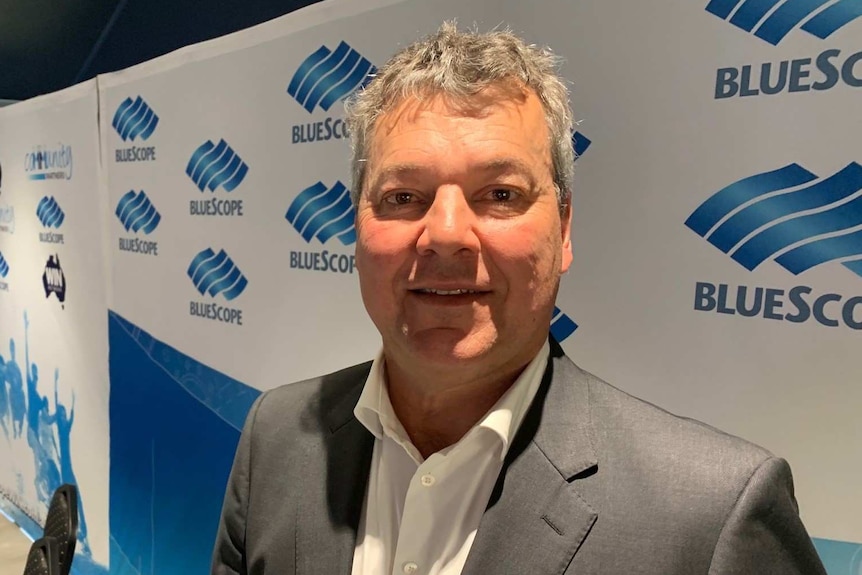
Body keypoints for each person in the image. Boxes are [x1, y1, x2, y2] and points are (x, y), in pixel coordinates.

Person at [212, 23, 826, 575]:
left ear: (562, 232)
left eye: (500, 194)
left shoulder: (712, 515)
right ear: (358, 227)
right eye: (402, 196)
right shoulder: (277, 436)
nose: (446, 234)